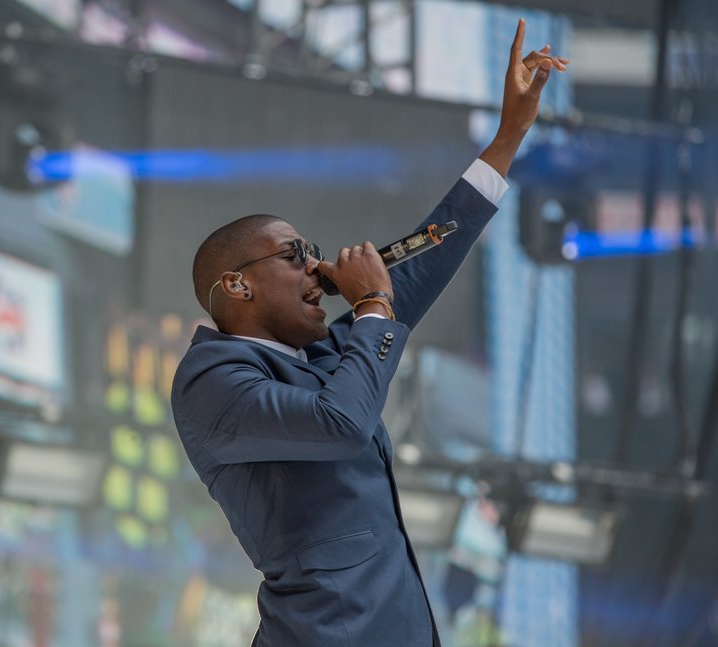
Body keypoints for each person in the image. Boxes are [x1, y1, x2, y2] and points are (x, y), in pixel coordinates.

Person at [171, 18, 568, 647]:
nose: (313, 265)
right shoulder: (210, 381)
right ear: (238, 285)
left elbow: (428, 257)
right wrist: (374, 305)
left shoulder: (327, 354)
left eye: (313, 251)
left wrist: (507, 137)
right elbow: (339, 422)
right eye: (293, 253)